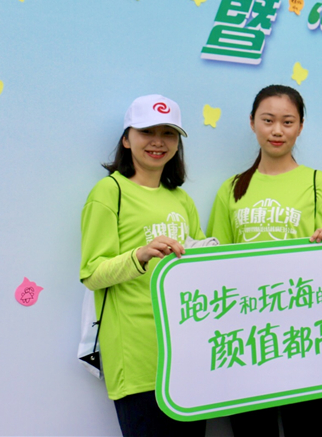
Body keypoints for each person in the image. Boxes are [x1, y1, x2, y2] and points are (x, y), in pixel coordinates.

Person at [207, 84, 322, 437]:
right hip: (246, 341)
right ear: (252, 122)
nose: (277, 130)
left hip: (305, 338)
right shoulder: (231, 188)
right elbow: (214, 263)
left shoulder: (319, 184)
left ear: (300, 127)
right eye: (268, 120)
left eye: (287, 122)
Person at [80, 94, 206, 436]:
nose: (157, 142)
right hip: (136, 358)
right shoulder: (109, 192)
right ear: (126, 139)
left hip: (188, 355)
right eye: (147, 131)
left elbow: (198, 266)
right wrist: (140, 255)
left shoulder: (181, 199)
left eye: (168, 133)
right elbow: (91, 273)